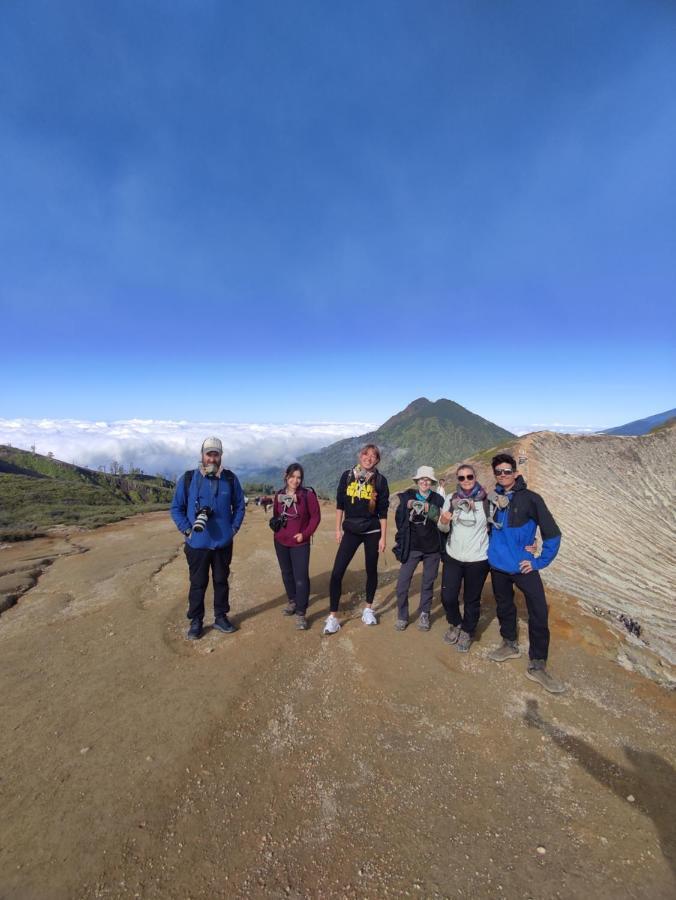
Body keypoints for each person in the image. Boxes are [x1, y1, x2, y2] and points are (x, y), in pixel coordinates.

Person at [486, 452, 564, 693]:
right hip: (498, 564)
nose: (502, 475)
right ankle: (509, 643)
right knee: (504, 605)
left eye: (507, 471)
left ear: (515, 473)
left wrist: (539, 561)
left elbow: (553, 533)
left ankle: (537, 663)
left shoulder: (531, 499)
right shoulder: (492, 497)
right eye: (498, 472)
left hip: (523, 565)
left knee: (538, 611)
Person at [170, 437, 246, 640]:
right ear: (202, 455)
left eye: (216, 454)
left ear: (221, 456)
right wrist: (187, 530)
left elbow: (240, 505)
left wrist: (233, 528)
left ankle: (220, 617)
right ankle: (196, 621)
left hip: (223, 544)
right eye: (209, 454)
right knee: (198, 583)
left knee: (221, 581)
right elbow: (176, 508)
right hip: (197, 544)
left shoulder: (230, 479)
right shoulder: (188, 479)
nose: (212, 458)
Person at [324, 444, 389, 634]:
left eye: (373, 456)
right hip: (351, 530)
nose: (368, 458)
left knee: (371, 570)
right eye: (365, 454)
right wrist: (337, 529)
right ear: (360, 456)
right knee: (337, 572)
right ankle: (333, 617)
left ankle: (368, 609)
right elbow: (340, 504)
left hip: (371, 531)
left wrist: (383, 537)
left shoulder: (380, 481)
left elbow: (383, 512)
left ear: (377, 460)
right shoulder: (347, 475)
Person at [437, 464, 490, 652]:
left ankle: (468, 630)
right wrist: (443, 521)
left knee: (471, 599)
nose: (466, 480)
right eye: (461, 478)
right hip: (454, 556)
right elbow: (442, 528)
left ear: (475, 477)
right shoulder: (451, 499)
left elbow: (498, 527)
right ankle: (456, 622)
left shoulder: (486, 501)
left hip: (478, 558)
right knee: (448, 596)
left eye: (469, 476)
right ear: (457, 480)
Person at [393, 466, 444, 631]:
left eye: (427, 480)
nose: (424, 482)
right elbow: (398, 513)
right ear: (417, 481)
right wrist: (406, 505)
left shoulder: (437, 499)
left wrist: (430, 510)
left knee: (428, 583)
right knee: (402, 584)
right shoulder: (408, 495)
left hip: (432, 548)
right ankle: (402, 615)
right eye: (421, 479)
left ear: (432, 482)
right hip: (412, 547)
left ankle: (424, 613)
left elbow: (442, 521)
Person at [272, 463, 321, 631]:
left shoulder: (308, 495)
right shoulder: (279, 495)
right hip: (280, 541)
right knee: (286, 573)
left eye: (299, 477)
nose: (295, 480)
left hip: (300, 543)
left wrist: (304, 534)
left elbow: (315, 518)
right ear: (286, 476)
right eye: (292, 476)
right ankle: (292, 601)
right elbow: (276, 516)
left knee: (301, 577)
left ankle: (301, 612)